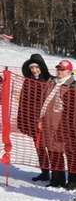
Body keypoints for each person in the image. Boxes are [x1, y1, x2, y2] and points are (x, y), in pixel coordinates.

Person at [39, 59, 76, 188]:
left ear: (69, 71)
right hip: (49, 123)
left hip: (65, 125)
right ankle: (57, 178)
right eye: (58, 69)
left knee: (71, 152)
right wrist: (40, 119)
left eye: (62, 70)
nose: (60, 72)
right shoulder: (51, 82)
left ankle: (73, 180)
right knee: (53, 151)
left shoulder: (75, 84)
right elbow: (43, 101)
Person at [17, 53, 53, 182]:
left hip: (46, 119)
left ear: (41, 67)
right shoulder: (28, 81)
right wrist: (22, 120)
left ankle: (57, 174)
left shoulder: (49, 80)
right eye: (32, 68)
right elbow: (22, 102)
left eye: (36, 67)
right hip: (32, 119)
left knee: (52, 147)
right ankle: (44, 172)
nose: (34, 70)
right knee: (39, 146)